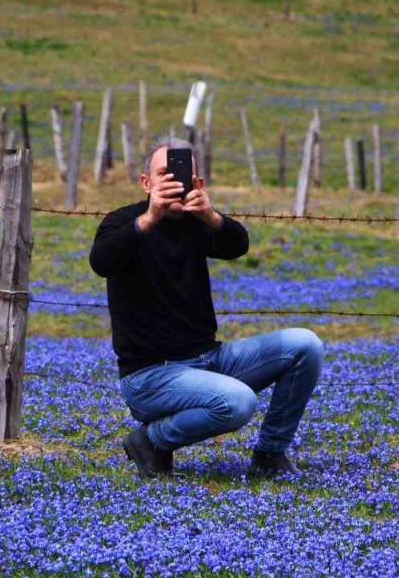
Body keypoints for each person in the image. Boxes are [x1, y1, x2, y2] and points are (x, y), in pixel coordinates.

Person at [88, 137, 323, 479]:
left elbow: (238, 244)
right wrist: (149, 218)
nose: (173, 182)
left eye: (181, 176)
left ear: (196, 183)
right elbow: (102, 261)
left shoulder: (197, 223)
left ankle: (270, 455)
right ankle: (151, 441)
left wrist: (210, 215)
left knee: (306, 345)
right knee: (239, 402)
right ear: (145, 183)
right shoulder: (122, 222)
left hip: (210, 360)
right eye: (163, 174)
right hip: (150, 375)